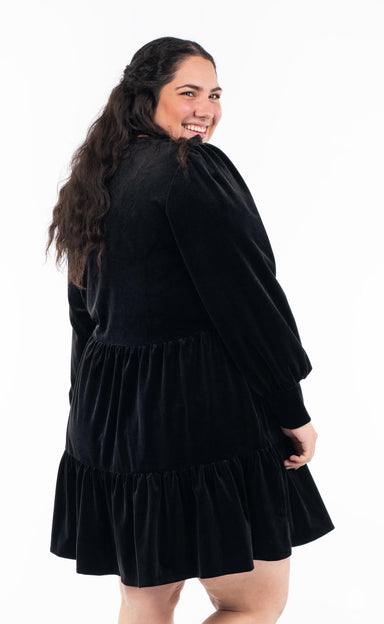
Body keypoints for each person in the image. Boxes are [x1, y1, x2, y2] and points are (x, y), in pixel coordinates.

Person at [45, 36, 334, 624]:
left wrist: (88, 417)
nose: (206, 108)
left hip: (111, 420)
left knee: (145, 599)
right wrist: (290, 408)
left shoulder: (96, 176)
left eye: (216, 95)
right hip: (201, 414)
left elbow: (83, 316)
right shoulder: (189, 168)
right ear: (146, 96)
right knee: (252, 604)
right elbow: (248, 300)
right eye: (189, 92)